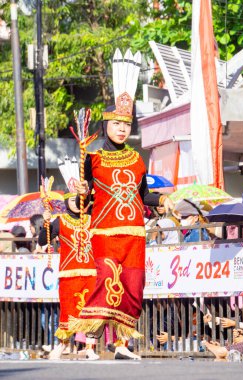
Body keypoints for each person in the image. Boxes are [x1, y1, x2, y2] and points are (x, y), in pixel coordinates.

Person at [70, 48, 173, 360]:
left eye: (126, 124)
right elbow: (82, 196)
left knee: (132, 286)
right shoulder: (94, 157)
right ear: (106, 125)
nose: (122, 129)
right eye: (117, 124)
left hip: (134, 235)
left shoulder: (138, 160)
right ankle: (88, 343)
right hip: (106, 234)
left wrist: (163, 199)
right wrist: (78, 194)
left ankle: (121, 345)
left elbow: (142, 196)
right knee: (105, 284)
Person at [38, 158, 98, 360]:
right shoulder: (60, 220)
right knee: (68, 310)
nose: (77, 202)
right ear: (66, 201)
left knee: (91, 311)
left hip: (91, 272)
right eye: (73, 199)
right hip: (69, 273)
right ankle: (62, 345)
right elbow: (42, 240)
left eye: (80, 199)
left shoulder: (92, 218)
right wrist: (45, 222)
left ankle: (90, 348)